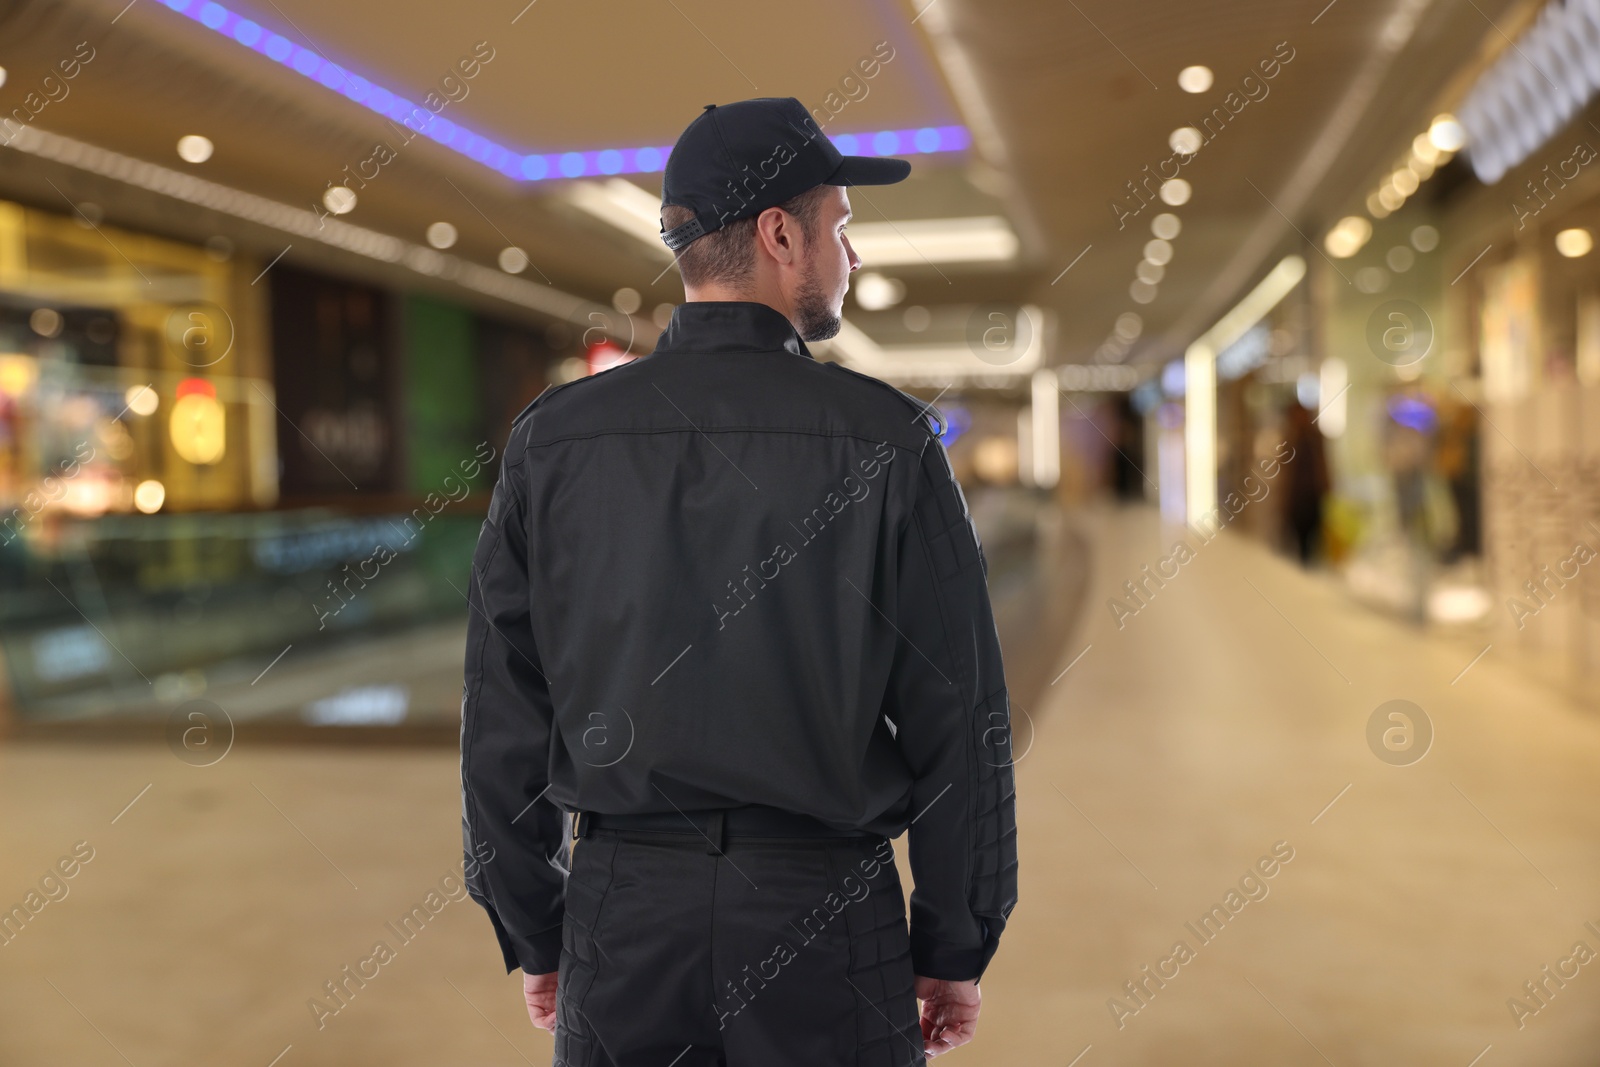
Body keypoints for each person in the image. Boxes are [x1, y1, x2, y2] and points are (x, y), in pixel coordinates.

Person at [461, 96, 1018, 1067]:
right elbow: (957, 716)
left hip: (622, 916)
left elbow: (503, 710)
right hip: (823, 913)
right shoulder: (882, 437)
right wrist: (952, 937)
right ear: (779, 236)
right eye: (841, 228)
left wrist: (538, 925)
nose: (852, 254)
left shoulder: (553, 441)